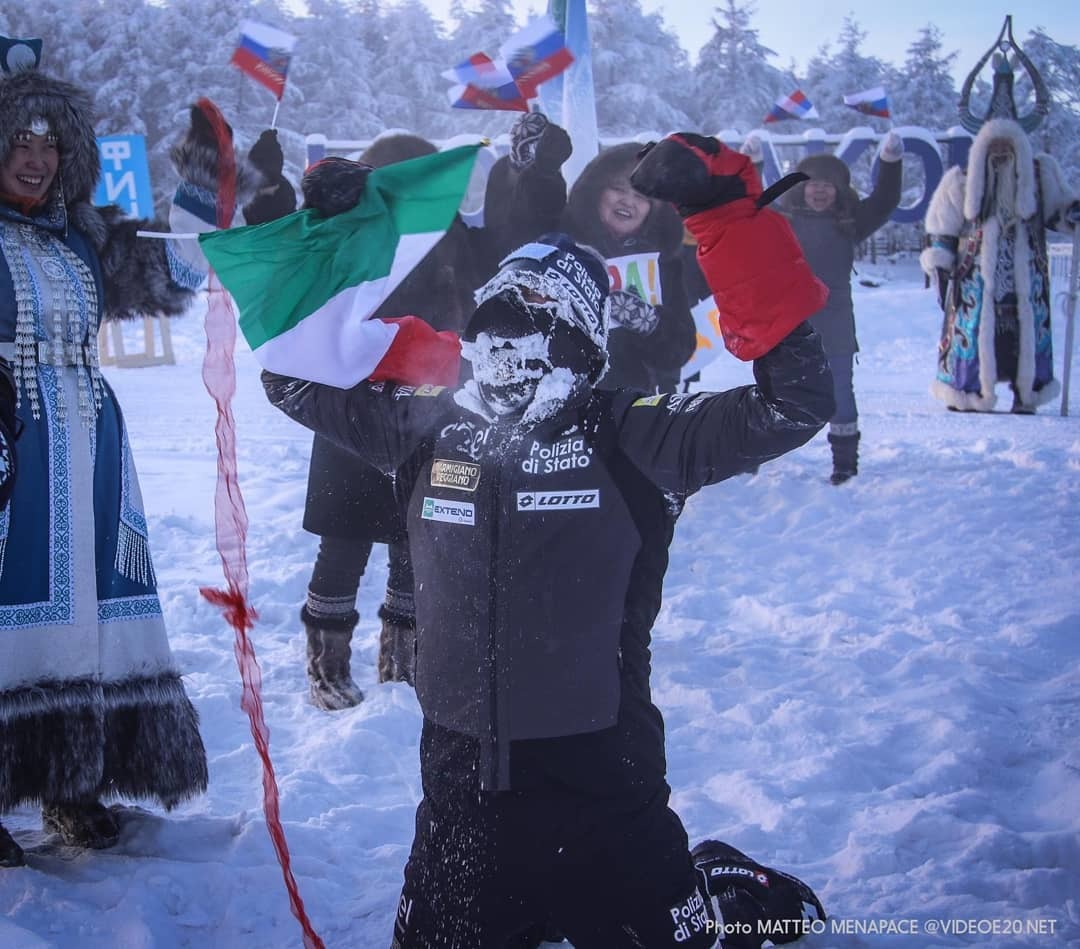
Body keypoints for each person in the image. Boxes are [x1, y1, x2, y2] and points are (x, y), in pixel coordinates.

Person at [263, 131, 833, 948]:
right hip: (461, 807)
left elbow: (793, 406)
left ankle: (720, 886)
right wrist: (347, 240)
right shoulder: (429, 426)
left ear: (586, 341)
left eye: (541, 316)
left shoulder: (634, 434)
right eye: (498, 313)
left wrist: (726, 221)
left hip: (606, 800)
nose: (510, 338)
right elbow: (288, 373)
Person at [0, 60, 252, 866]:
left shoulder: (83, 231)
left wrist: (204, 180)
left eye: (49, 142)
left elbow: (173, 272)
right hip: (7, 445)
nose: (35, 157)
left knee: (91, 612)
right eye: (18, 141)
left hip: (91, 447)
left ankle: (74, 781)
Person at [295, 116, 571, 708]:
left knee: (415, 533)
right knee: (342, 541)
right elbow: (303, 247)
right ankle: (327, 665)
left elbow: (524, 236)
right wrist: (321, 197)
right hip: (354, 408)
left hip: (435, 409)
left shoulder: (460, 238)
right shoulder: (347, 241)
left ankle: (405, 659)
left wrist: (535, 172)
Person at [921, 39, 1078, 414]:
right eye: (995, 148)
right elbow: (942, 227)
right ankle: (968, 393)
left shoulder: (1040, 175)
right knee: (973, 335)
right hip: (974, 277)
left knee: (1027, 333)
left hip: (1027, 273)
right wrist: (940, 260)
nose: (1001, 155)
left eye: (1009, 148)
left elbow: (1060, 213)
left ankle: (1028, 393)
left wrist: (1073, 214)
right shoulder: (961, 179)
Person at [777, 132, 903, 484]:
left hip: (834, 328)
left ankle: (844, 463)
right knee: (775, 393)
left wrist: (891, 162)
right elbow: (747, 207)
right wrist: (753, 161)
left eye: (827, 185)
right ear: (800, 187)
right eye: (812, 184)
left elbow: (886, 199)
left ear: (838, 190)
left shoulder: (849, 222)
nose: (819, 191)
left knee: (840, 394)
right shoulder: (780, 221)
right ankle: (758, 456)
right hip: (786, 326)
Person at [560, 141, 697, 393]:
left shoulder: (662, 262)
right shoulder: (561, 244)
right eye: (618, 188)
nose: (628, 201)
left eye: (642, 196)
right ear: (597, 190)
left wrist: (649, 323)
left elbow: (679, 349)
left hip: (631, 408)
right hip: (562, 396)